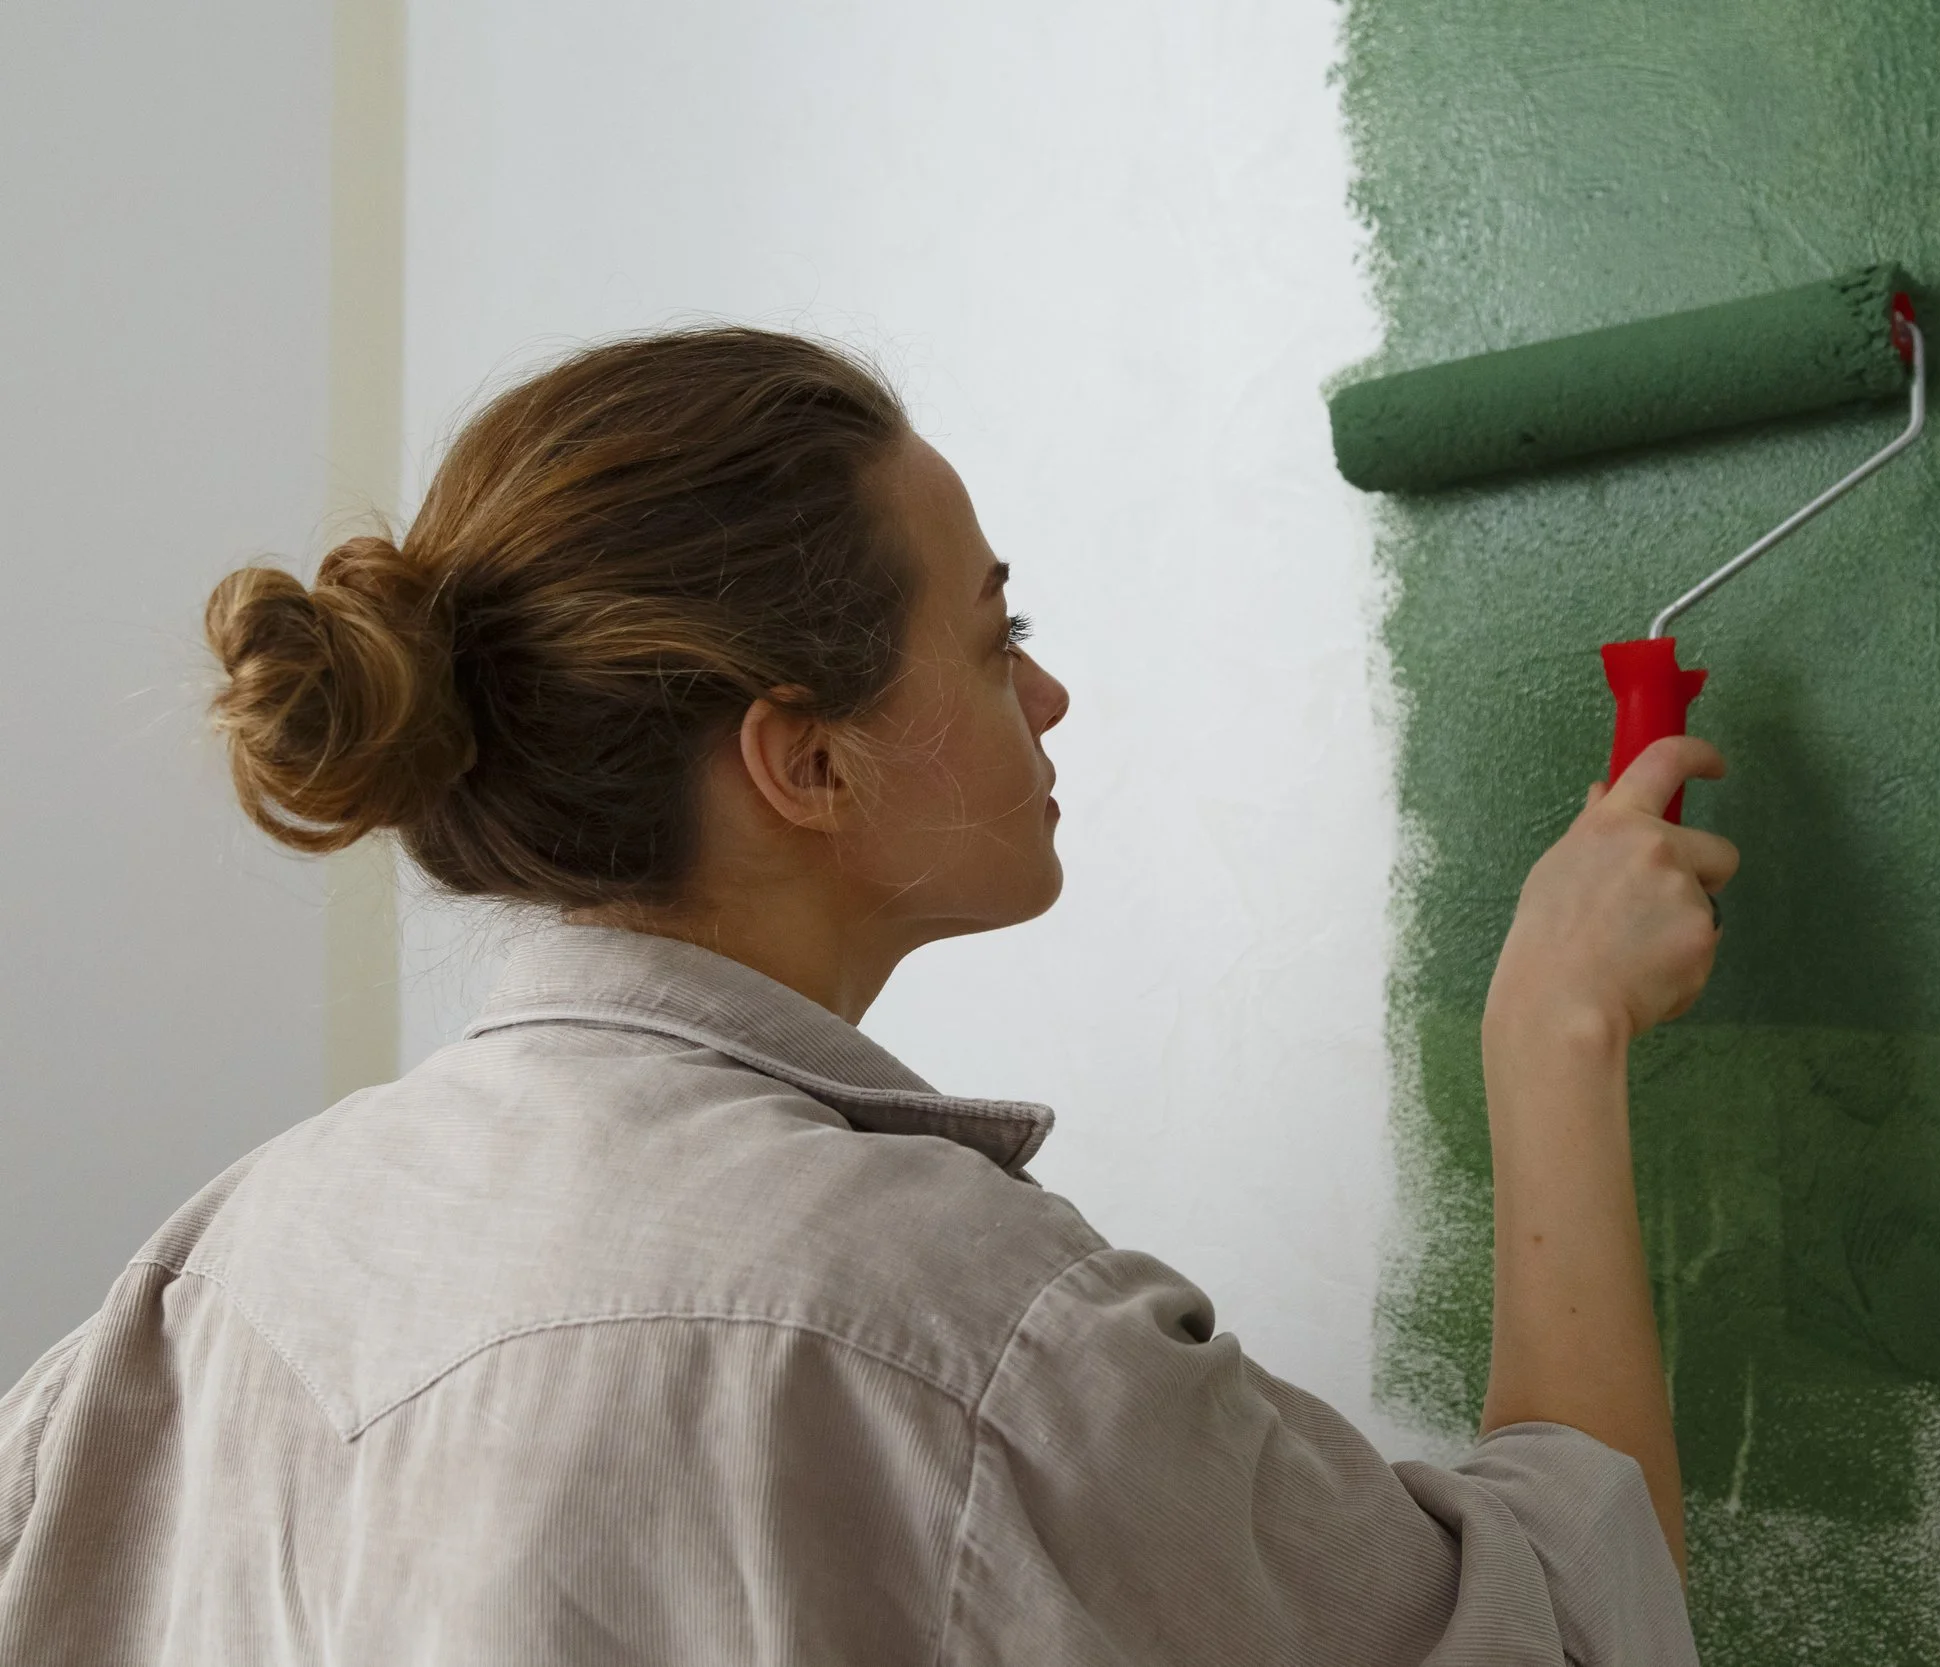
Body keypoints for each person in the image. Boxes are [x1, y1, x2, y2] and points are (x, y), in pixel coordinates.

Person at [0, 328, 1736, 1664]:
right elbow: (1570, 1636)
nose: (1044, 693)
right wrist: (1552, 1035)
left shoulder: (211, 1274)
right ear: (804, 758)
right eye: (994, 634)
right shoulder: (965, 1330)